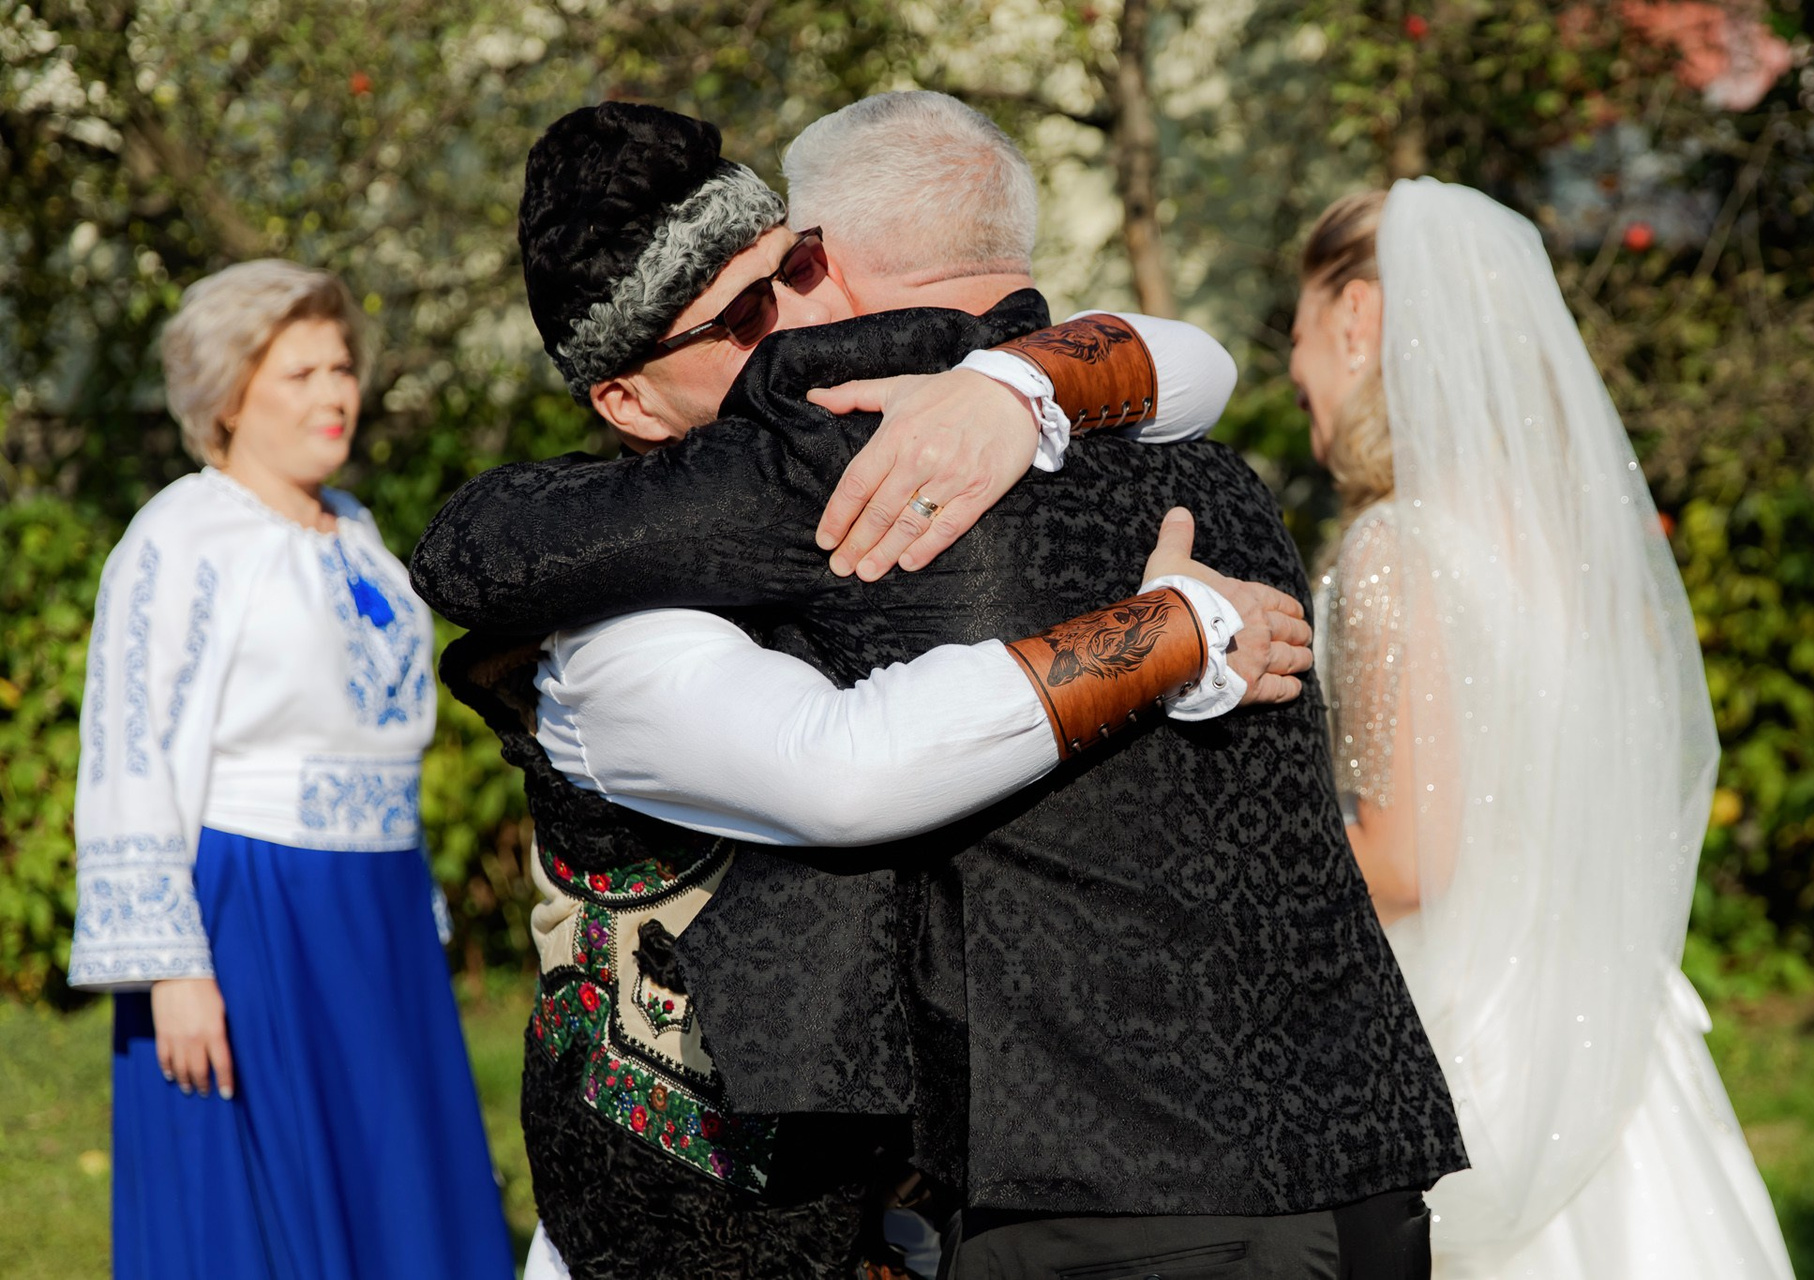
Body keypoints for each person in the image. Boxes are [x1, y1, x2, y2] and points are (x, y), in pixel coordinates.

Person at [414, 93, 1465, 1280]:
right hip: (698, 1233)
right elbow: (843, 768)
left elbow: (1195, 359)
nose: (793, 318)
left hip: (1108, 1200)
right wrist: (1164, 631)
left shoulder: (945, 437)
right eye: (747, 311)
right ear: (629, 398)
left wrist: (1015, 386)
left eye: (796, 269)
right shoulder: (644, 594)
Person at [1293, 178, 1795, 1278]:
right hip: (1605, 1031)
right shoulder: (1558, 543)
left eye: (1298, 331)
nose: (1295, 370)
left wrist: (1246, 872)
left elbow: (1411, 859)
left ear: (1355, 315)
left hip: (1475, 1037)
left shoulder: (1397, 547)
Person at [67, 261, 514, 1280]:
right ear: (228, 396)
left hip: (374, 908)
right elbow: (128, 745)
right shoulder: (180, 536)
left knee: (395, 1186)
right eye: (300, 373)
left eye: (341, 367)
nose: (334, 393)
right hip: (254, 908)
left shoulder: (356, 529)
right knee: (265, 1211)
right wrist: (174, 967)